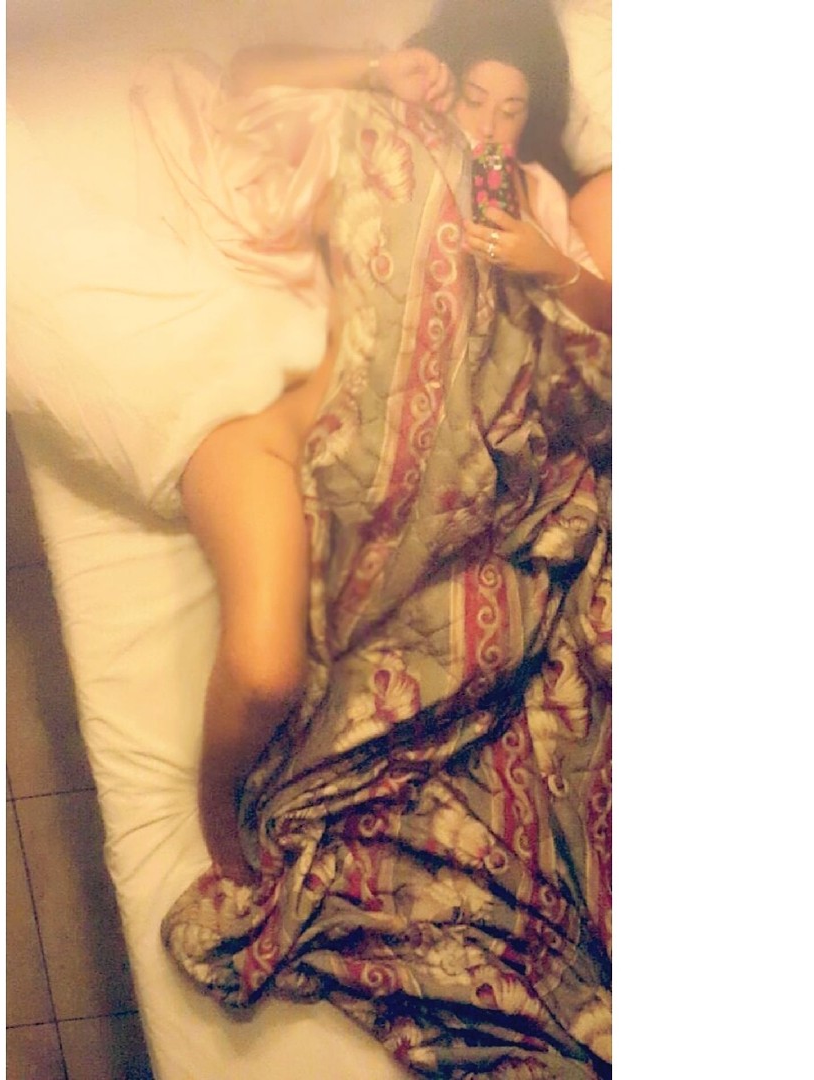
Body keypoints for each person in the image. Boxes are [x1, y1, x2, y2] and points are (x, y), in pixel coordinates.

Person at [177, 0, 610, 882]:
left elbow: (603, 341)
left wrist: (553, 265)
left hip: (457, 495)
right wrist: (377, 74)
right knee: (265, 677)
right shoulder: (379, 133)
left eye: (512, 111)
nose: (487, 127)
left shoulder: (533, 197)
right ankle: (219, 810)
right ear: (441, 84)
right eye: (474, 98)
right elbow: (244, 86)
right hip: (306, 450)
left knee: (506, 678)